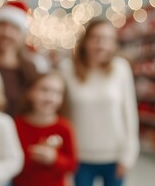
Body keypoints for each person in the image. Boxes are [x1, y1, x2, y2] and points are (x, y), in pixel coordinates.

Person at [59, 20, 139, 186]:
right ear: (85, 40)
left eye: (107, 39)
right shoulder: (67, 70)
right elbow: (62, 115)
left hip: (115, 156)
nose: (101, 44)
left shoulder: (121, 69)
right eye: (95, 38)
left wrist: (128, 155)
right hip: (79, 156)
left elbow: (130, 114)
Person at [14, 71, 77, 186]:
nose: (50, 98)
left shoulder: (65, 127)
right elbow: (12, 162)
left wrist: (55, 159)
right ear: (30, 92)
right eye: (44, 90)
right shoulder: (16, 125)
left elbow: (72, 165)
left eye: (57, 93)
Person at [0, 1, 48, 116]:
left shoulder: (31, 69)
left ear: (22, 35)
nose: (6, 33)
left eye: (14, 28)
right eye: (2, 26)